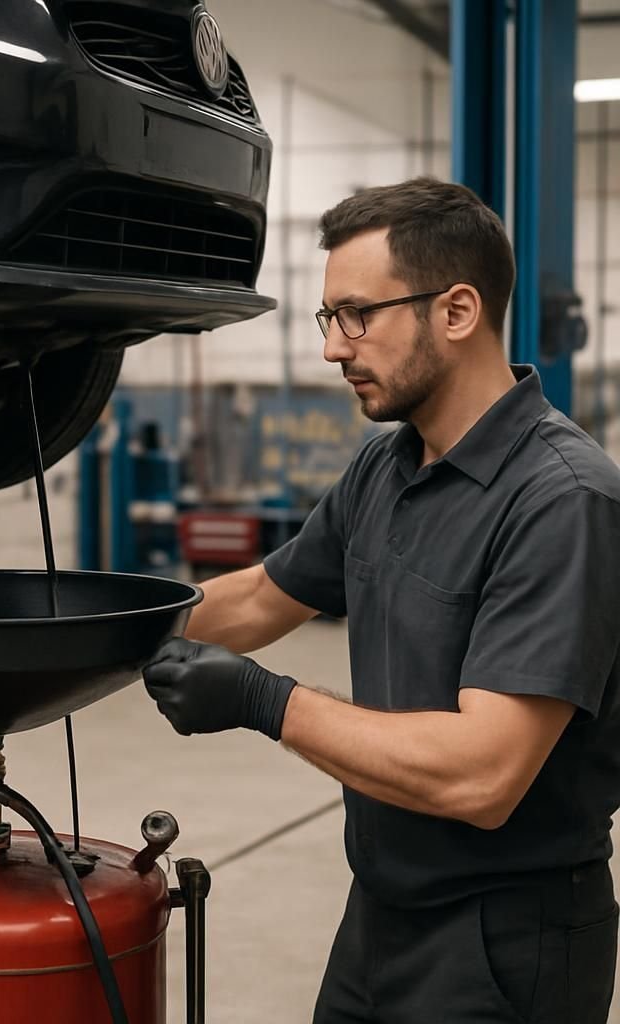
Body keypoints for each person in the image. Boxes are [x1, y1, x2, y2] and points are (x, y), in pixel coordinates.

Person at [144, 177, 620, 1023]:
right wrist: (94, 625)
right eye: (330, 319)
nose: (335, 348)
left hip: (503, 939)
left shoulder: (561, 499)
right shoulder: (387, 465)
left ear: (458, 311)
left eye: (357, 315)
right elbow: (262, 595)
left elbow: (486, 774)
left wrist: (264, 700)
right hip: (378, 915)